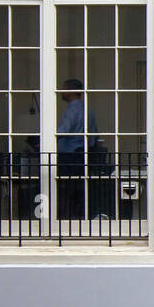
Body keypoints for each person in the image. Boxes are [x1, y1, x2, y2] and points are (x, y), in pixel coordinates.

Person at [56, 79, 101, 218]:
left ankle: (68, 218)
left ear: (70, 91)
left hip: (70, 156)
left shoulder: (72, 110)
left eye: (63, 89)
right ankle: (81, 217)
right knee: (80, 190)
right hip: (85, 155)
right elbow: (94, 135)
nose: (61, 92)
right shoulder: (88, 110)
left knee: (67, 190)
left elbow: (63, 131)